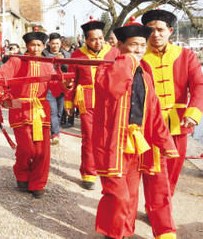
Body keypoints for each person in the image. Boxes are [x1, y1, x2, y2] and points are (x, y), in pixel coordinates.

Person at [92, 20, 179, 239]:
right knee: (117, 194)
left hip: (136, 143)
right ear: (119, 46)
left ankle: (124, 232)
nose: (139, 50)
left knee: (131, 195)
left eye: (142, 45)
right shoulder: (108, 68)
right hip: (112, 143)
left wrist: (166, 144)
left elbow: (155, 114)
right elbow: (112, 90)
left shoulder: (145, 75)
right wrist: (127, 60)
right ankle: (112, 233)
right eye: (133, 45)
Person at [141, 9, 203, 196]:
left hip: (178, 122)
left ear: (170, 31)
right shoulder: (139, 56)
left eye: (160, 29)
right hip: (149, 122)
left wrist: (193, 114)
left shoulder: (186, 56)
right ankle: (155, 206)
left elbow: (199, 86)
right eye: (151, 30)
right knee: (151, 167)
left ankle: (165, 203)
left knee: (173, 168)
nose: (156, 34)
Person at [0, 30, 57, 198]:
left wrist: (66, 83)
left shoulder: (48, 63)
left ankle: (38, 183)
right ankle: (22, 174)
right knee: (26, 148)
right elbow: (2, 75)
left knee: (42, 151)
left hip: (41, 110)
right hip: (20, 109)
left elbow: (55, 87)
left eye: (39, 45)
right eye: (32, 45)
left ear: (43, 46)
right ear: (27, 46)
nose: (35, 48)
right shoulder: (17, 60)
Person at [64, 16, 121, 190]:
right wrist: (68, 102)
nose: (98, 42)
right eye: (93, 39)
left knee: (110, 136)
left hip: (109, 100)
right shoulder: (77, 55)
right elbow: (71, 80)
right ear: (86, 40)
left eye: (100, 38)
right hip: (86, 100)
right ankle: (89, 172)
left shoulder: (114, 53)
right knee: (89, 138)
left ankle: (109, 168)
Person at [42, 33, 69, 144]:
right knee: (52, 111)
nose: (55, 46)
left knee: (59, 111)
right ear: (49, 43)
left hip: (61, 86)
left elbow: (70, 69)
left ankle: (54, 131)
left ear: (60, 44)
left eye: (57, 43)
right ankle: (55, 134)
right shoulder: (44, 54)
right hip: (49, 86)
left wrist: (63, 62)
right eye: (53, 43)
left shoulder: (66, 55)